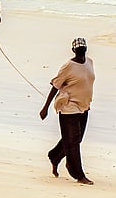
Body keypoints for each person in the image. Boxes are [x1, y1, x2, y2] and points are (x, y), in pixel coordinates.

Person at [39, 37, 95, 185]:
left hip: (83, 105)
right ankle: (78, 174)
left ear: (86, 48)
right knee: (73, 142)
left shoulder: (90, 62)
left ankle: (55, 155)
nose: (81, 50)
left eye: (83, 47)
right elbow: (55, 86)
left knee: (76, 139)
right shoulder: (68, 66)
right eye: (78, 48)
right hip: (68, 106)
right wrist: (45, 108)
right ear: (73, 50)